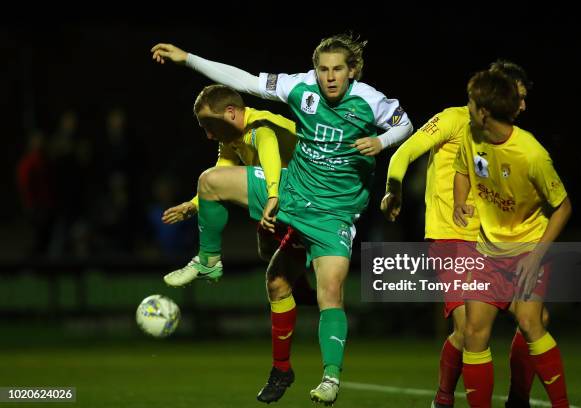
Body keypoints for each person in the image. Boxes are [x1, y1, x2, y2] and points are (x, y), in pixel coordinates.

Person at [151, 33, 413, 404]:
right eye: (323, 69)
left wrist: (382, 143)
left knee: (330, 295)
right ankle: (209, 262)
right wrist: (188, 58)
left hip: (333, 213)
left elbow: (406, 125)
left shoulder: (370, 101)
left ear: (351, 70)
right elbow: (243, 81)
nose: (330, 77)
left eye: (338, 69)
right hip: (294, 189)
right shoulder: (301, 86)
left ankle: (330, 378)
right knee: (211, 183)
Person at [382, 60, 550, 408]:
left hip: (497, 243)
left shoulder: (509, 139)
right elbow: (404, 152)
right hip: (453, 239)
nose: (522, 106)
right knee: (468, 330)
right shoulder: (452, 119)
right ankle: (444, 398)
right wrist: (394, 187)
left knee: (536, 320)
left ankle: (518, 398)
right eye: (517, 96)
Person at [453, 70, 571, 408]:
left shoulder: (531, 153)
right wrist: (461, 201)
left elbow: (563, 207)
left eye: (471, 103)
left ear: (484, 112)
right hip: (488, 251)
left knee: (531, 321)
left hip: (528, 250)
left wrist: (536, 256)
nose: (468, 107)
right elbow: (463, 170)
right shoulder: (470, 134)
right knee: (475, 332)